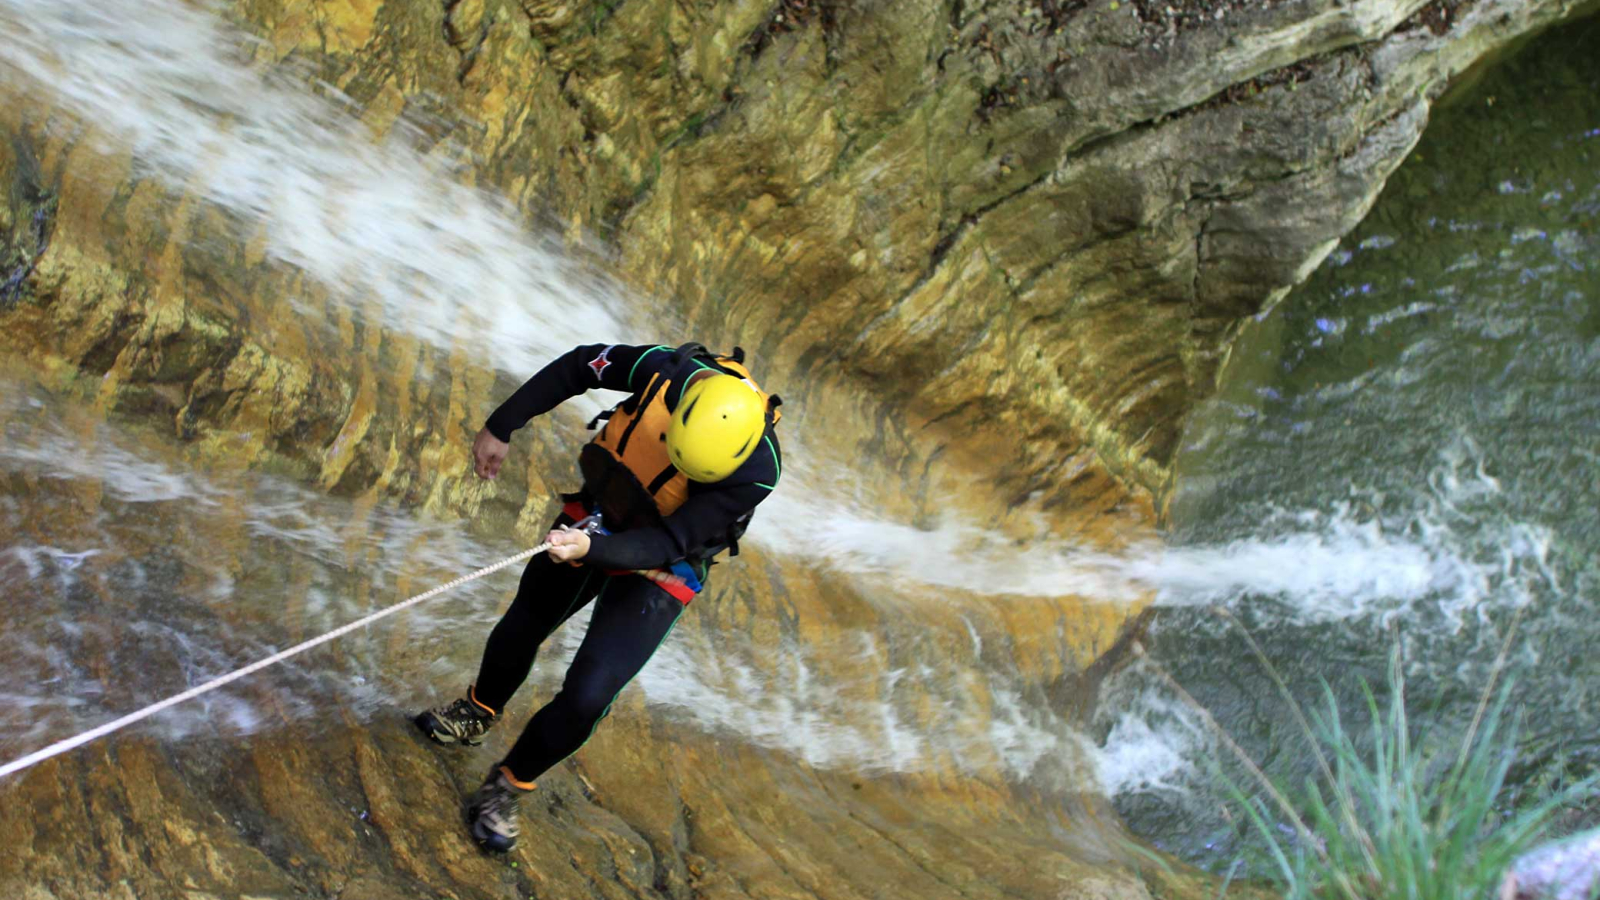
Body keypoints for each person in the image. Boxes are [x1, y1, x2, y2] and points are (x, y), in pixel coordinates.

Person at [414, 342, 782, 852]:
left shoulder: (758, 469)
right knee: (527, 620)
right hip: (606, 508)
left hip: (666, 557)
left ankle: (507, 785)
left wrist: (590, 547)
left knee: (589, 694)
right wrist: (502, 424)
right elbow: (577, 366)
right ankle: (477, 711)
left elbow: (672, 540)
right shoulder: (666, 371)